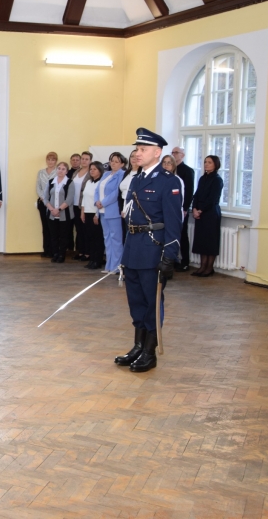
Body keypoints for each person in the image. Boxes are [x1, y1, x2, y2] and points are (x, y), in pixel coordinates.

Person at [115, 128, 183, 373]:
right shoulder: (137, 178)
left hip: (153, 249)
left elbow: (174, 222)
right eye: (137, 149)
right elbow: (131, 217)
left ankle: (150, 352)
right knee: (136, 301)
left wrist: (169, 256)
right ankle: (138, 346)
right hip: (134, 248)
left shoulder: (169, 182)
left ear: (157, 152)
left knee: (152, 301)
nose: (138, 153)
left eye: (143, 149)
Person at [190, 155, 224, 277]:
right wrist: (194, 208)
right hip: (200, 213)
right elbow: (197, 195)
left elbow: (213, 199)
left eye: (209, 162)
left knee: (210, 241)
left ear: (215, 164)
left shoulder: (217, 180)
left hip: (211, 214)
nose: (206, 164)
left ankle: (209, 268)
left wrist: (200, 210)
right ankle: (202, 266)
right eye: (205, 162)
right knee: (201, 241)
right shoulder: (202, 178)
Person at [96, 153, 125, 273]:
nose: (113, 163)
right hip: (102, 211)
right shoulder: (106, 174)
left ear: (122, 164)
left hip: (113, 211)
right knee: (107, 238)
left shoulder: (122, 174)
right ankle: (109, 265)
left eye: (116, 161)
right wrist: (97, 202)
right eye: (112, 161)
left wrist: (103, 202)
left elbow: (116, 193)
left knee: (116, 240)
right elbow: (97, 189)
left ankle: (117, 266)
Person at [45, 162, 75, 263]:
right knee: (53, 236)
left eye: (63, 169)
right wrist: (52, 210)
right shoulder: (50, 182)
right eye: (59, 168)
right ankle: (55, 254)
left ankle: (62, 254)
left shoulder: (70, 182)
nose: (60, 171)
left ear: (66, 171)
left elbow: (69, 199)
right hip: (52, 214)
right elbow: (45, 198)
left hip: (65, 215)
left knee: (63, 236)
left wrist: (59, 209)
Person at [172, 147, 195, 272]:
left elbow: (189, 191)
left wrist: (185, 208)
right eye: (173, 153)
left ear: (183, 155)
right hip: (170, 207)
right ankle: (173, 259)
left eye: (176, 153)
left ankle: (185, 261)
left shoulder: (187, 171)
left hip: (181, 208)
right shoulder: (169, 170)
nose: (174, 155)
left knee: (182, 235)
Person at [80, 162, 105, 269]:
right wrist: (82, 212)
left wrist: (96, 214)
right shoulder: (89, 182)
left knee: (97, 238)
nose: (92, 171)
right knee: (89, 237)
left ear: (100, 170)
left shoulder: (101, 183)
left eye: (95, 169)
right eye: (91, 169)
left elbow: (100, 200)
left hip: (96, 214)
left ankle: (97, 260)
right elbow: (84, 198)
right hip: (87, 213)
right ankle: (92, 259)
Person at [36, 152, 58, 258]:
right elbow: (38, 187)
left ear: (56, 161)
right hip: (43, 203)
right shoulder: (41, 172)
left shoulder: (59, 172)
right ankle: (46, 250)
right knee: (45, 227)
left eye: (53, 160)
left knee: (53, 228)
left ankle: (54, 250)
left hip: (54, 204)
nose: (50, 162)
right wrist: (44, 199)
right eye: (49, 159)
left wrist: (50, 201)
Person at [71, 151, 91, 260]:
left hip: (84, 206)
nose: (84, 161)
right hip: (74, 205)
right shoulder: (76, 172)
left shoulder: (91, 173)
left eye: (86, 159)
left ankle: (87, 253)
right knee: (79, 229)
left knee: (85, 229)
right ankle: (81, 252)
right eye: (82, 159)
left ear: (90, 161)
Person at [119, 149, 140, 242]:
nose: (134, 158)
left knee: (133, 237)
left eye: (136, 156)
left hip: (134, 208)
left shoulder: (142, 173)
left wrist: (126, 209)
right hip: (123, 206)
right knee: (125, 236)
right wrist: (122, 208)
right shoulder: (127, 172)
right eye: (132, 156)